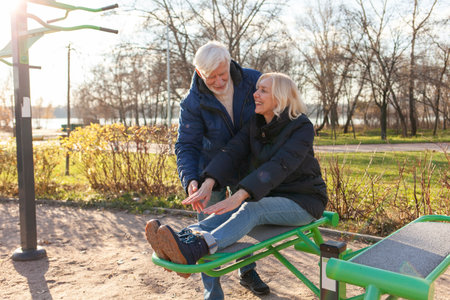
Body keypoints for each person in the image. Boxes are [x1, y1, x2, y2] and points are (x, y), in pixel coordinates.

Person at [145, 72, 328, 297]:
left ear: (279, 98)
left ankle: (201, 247)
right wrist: (209, 181)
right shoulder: (256, 124)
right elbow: (232, 152)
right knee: (233, 210)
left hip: (303, 201)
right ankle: (183, 239)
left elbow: (278, 165)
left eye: (263, 90)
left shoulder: (301, 128)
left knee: (249, 207)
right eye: (257, 88)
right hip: (270, 199)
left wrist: (240, 194)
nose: (255, 94)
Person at [147, 41, 269, 299]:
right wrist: (191, 179)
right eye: (210, 76)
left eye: (222, 74)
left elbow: (272, 113)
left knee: (241, 219)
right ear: (199, 72)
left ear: (229, 62)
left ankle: (247, 272)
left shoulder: (253, 81)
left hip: (246, 166)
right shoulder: (193, 102)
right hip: (208, 174)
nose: (218, 80)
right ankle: (212, 291)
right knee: (208, 228)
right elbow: (186, 145)